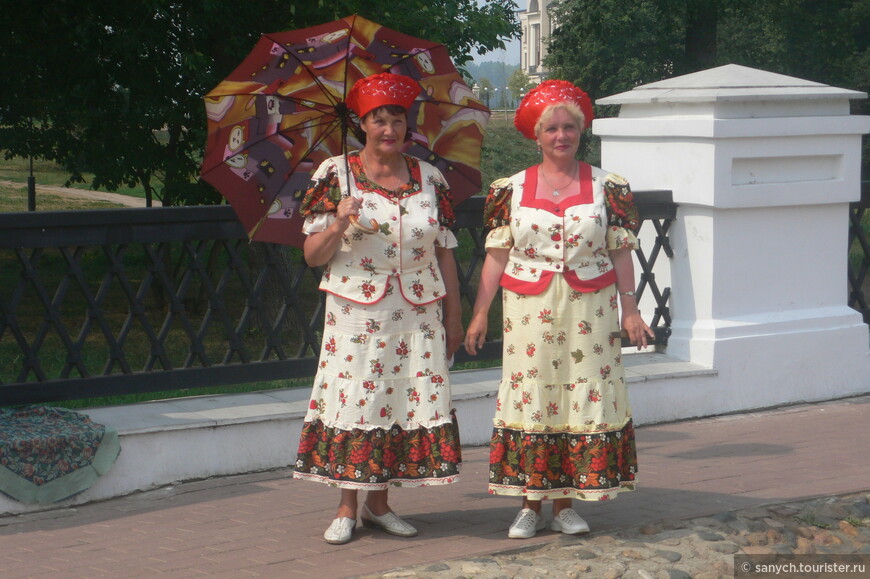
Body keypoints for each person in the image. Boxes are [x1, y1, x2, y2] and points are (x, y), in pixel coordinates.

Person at [464, 80, 654, 539]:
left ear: (581, 132)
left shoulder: (609, 186)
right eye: (552, 128)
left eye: (570, 128)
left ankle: (567, 502)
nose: (561, 136)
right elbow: (497, 255)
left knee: (580, 393)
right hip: (528, 310)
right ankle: (531, 504)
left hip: (590, 309)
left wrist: (631, 311)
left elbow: (622, 252)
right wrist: (479, 312)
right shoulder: (509, 188)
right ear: (537, 134)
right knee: (534, 394)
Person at [292, 72, 464, 545]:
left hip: (419, 310)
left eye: (397, 120)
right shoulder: (334, 173)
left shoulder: (430, 177)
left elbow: (445, 251)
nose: (389, 129)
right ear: (362, 125)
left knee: (402, 401)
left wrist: (454, 317)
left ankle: (380, 503)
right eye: (378, 120)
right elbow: (312, 256)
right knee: (356, 399)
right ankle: (346, 507)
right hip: (356, 311)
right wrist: (337, 223)